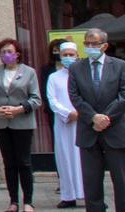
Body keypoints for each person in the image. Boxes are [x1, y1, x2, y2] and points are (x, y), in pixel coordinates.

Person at [69, 28, 125, 212]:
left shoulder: (120, 65)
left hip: (115, 129)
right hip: (89, 130)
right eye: (86, 43)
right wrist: (93, 117)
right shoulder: (75, 67)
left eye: (93, 44)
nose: (89, 47)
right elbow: (75, 96)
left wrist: (105, 117)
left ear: (104, 46)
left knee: (120, 180)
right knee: (91, 181)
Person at [0, 38, 41, 212]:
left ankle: (28, 201)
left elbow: (36, 99)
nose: (6, 55)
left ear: (17, 54)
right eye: (2, 52)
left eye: (9, 51)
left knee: (24, 162)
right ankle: (13, 201)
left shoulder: (29, 72)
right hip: (2, 122)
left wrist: (17, 109)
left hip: (22, 122)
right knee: (8, 163)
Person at [48, 42, 84, 209]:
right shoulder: (53, 77)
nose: (68, 58)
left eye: (71, 54)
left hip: (83, 123)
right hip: (64, 124)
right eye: (65, 55)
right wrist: (67, 113)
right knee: (65, 159)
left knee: (84, 159)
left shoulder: (84, 75)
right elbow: (52, 99)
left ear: (77, 55)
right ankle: (68, 196)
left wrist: (81, 112)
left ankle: (88, 194)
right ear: (60, 56)